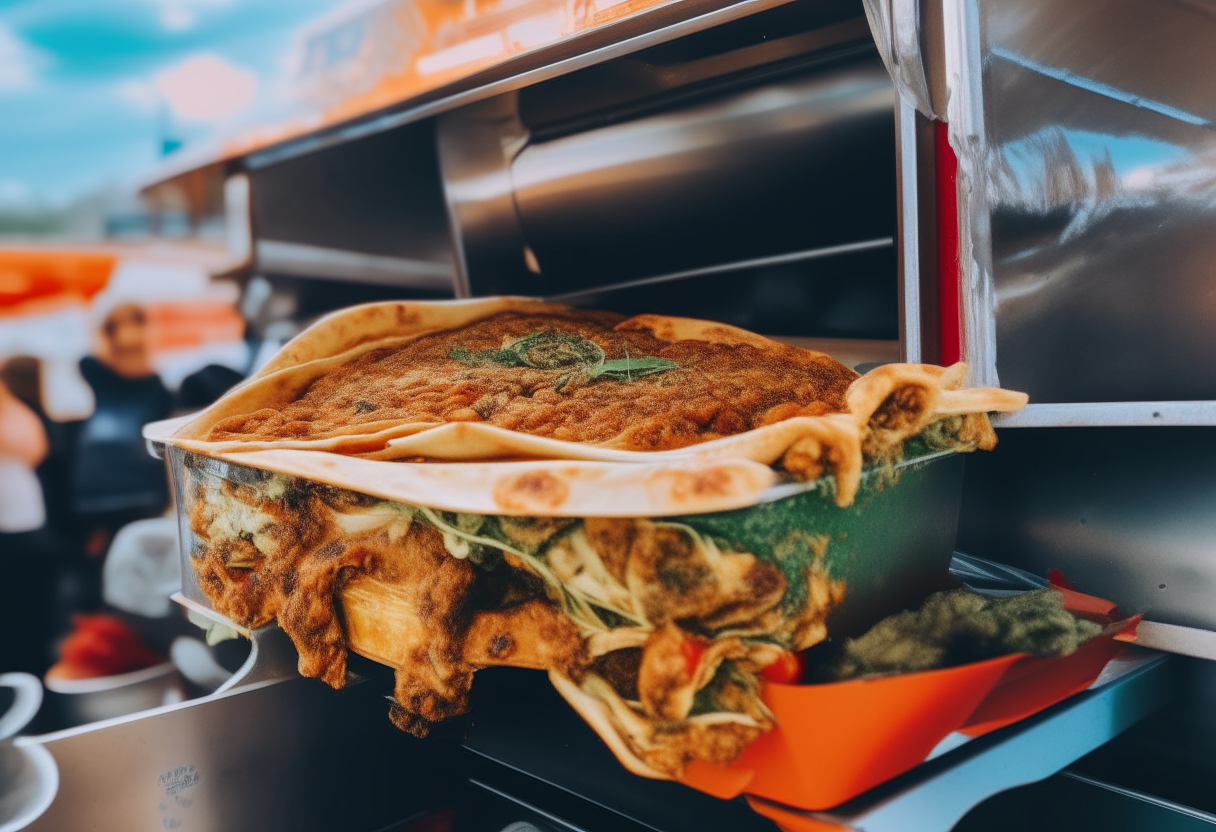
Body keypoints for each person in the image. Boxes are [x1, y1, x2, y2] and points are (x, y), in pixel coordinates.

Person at [0, 374, 54, 673]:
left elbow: (36, 449)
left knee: (31, 617)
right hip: (9, 534)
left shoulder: (13, 412)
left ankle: (34, 679)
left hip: (25, 531)